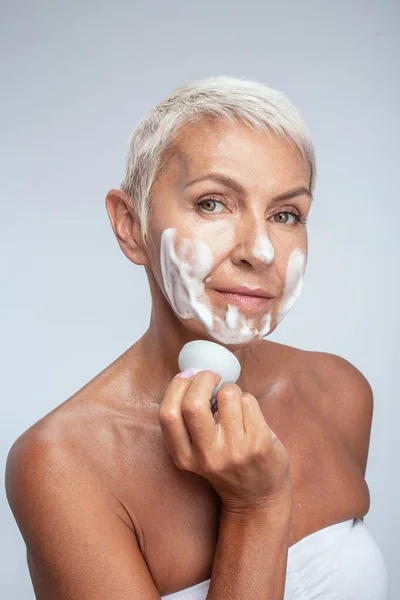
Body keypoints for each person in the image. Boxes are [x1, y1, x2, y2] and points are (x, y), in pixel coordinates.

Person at [5, 76, 389, 599]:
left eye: (285, 214)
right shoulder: (61, 465)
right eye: (213, 203)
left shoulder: (340, 393)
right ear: (130, 225)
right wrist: (255, 506)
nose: (261, 250)